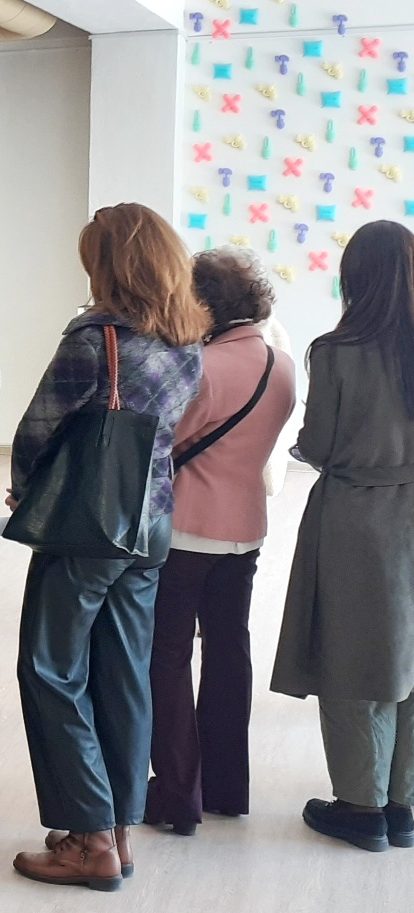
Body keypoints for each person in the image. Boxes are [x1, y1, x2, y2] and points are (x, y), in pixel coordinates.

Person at [8, 204, 209, 891]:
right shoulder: (188, 339)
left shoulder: (95, 338)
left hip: (91, 525)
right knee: (125, 673)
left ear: (109, 266)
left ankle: (89, 839)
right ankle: (118, 831)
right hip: (153, 522)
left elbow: (38, 427)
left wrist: (22, 489)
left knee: (51, 667)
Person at [273, 220, 414, 853]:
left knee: (355, 656)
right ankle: (403, 805)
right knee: (409, 657)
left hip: (359, 517)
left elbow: (320, 444)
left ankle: (362, 807)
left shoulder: (337, 350)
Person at [146, 249, 296, 836]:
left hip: (188, 528)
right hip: (246, 527)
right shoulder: (281, 365)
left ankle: (178, 794)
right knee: (230, 651)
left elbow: (163, 441)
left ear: (203, 304)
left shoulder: (202, 368)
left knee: (167, 655)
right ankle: (227, 786)